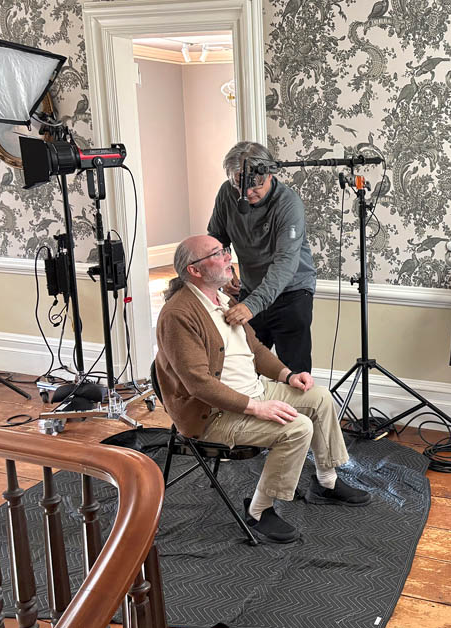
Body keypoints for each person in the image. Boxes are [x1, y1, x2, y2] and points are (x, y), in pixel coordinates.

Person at [155, 235, 368, 544]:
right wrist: (257, 408)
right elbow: (197, 383)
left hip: (254, 390)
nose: (227, 257)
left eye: (224, 250)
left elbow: (255, 348)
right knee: (297, 428)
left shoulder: (224, 300)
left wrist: (287, 375)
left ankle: (326, 482)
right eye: (217, 253)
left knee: (319, 397)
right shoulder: (179, 314)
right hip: (213, 414)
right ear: (195, 270)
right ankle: (258, 511)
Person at [208, 141, 317, 374]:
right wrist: (226, 271)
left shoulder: (288, 204)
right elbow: (217, 237)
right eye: (239, 185)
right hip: (251, 289)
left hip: (292, 292)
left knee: (294, 373)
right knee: (245, 368)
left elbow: (285, 262)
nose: (247, 193)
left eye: (254, 186)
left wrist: (251, 305)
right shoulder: (227, 193)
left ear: (269, 174)